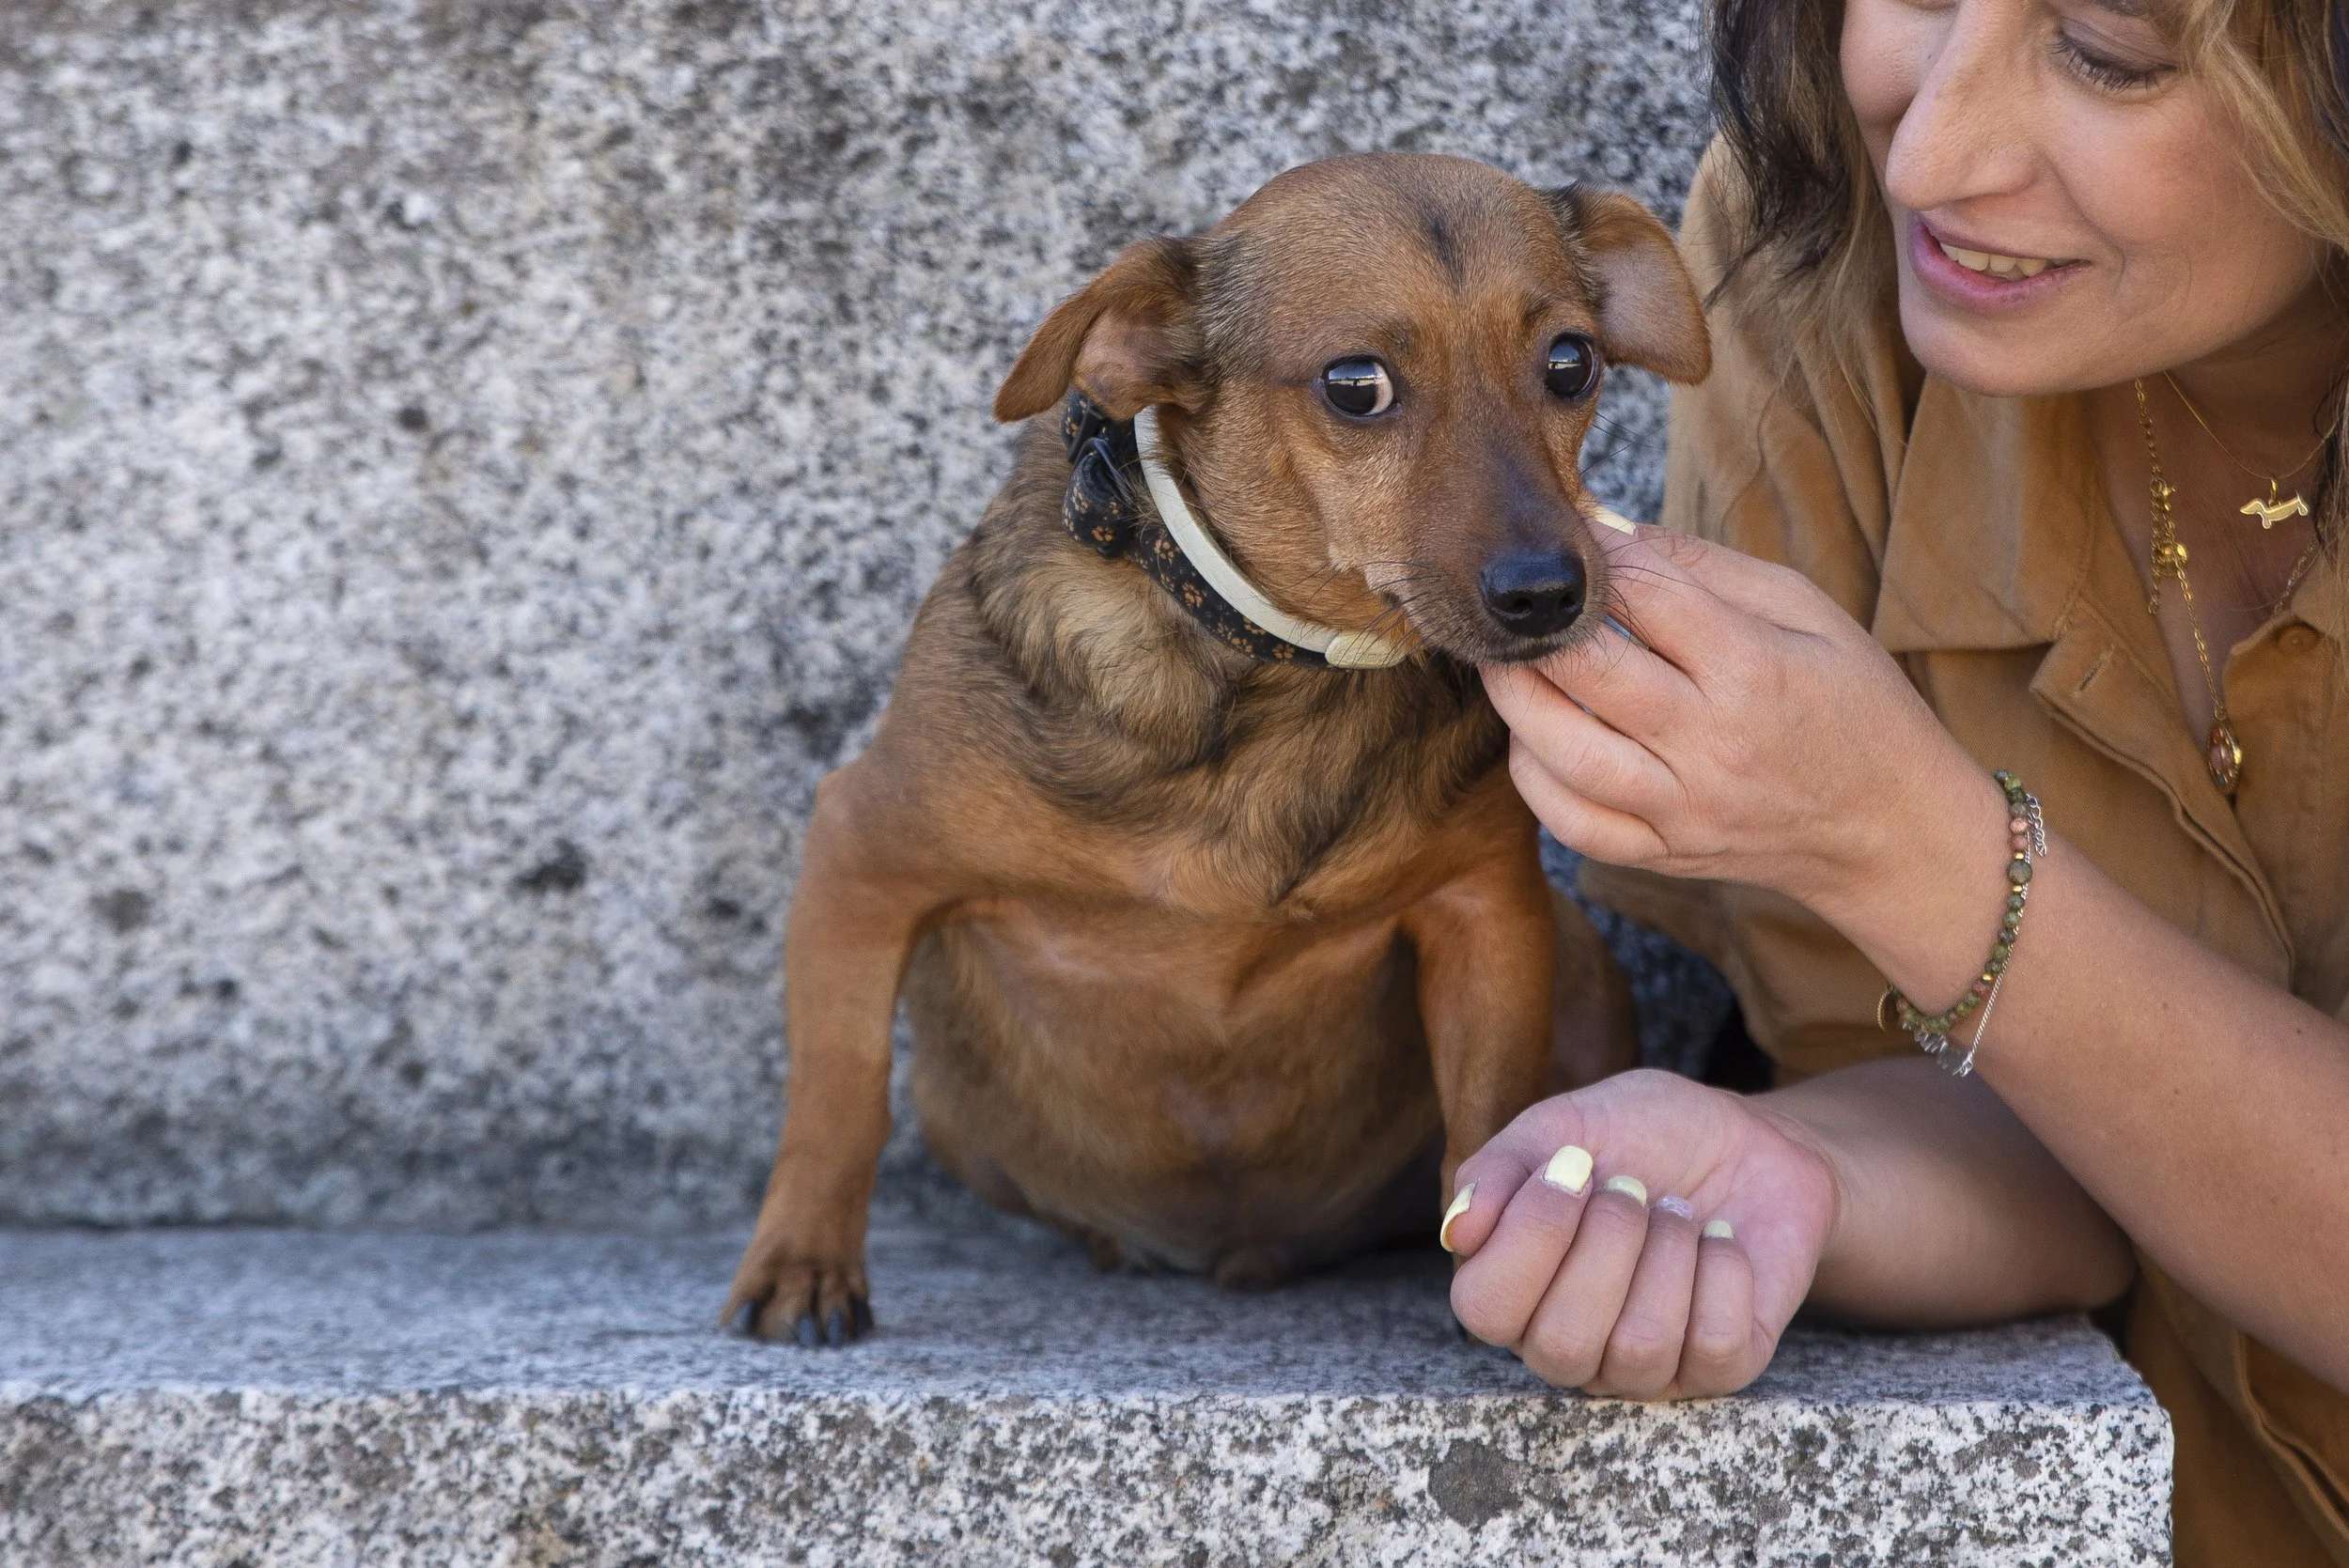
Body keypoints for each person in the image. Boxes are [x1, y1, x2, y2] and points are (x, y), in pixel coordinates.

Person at [1435, 0, 2349, 1560]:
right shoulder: (1821, 240)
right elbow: (2036, 1136)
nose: (1925, 151)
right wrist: (1806, 1174)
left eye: (2110, 53)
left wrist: (1907, 846)